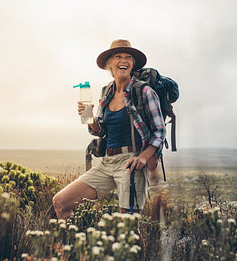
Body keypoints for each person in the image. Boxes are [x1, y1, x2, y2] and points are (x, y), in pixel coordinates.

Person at [52, 39, 166, 219]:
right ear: (109, 64)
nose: (124, 61)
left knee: (127, 226)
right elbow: (101, 131)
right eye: (118, 57)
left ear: (132, 63)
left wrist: (143, 157)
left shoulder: (144, 92)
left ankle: (133, 247)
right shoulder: (107, 92)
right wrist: (89, 118)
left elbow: (159, 131)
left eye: (128, 57)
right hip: (107, 162)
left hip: (131, 162)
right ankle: (73, 246)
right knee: (61, 202)